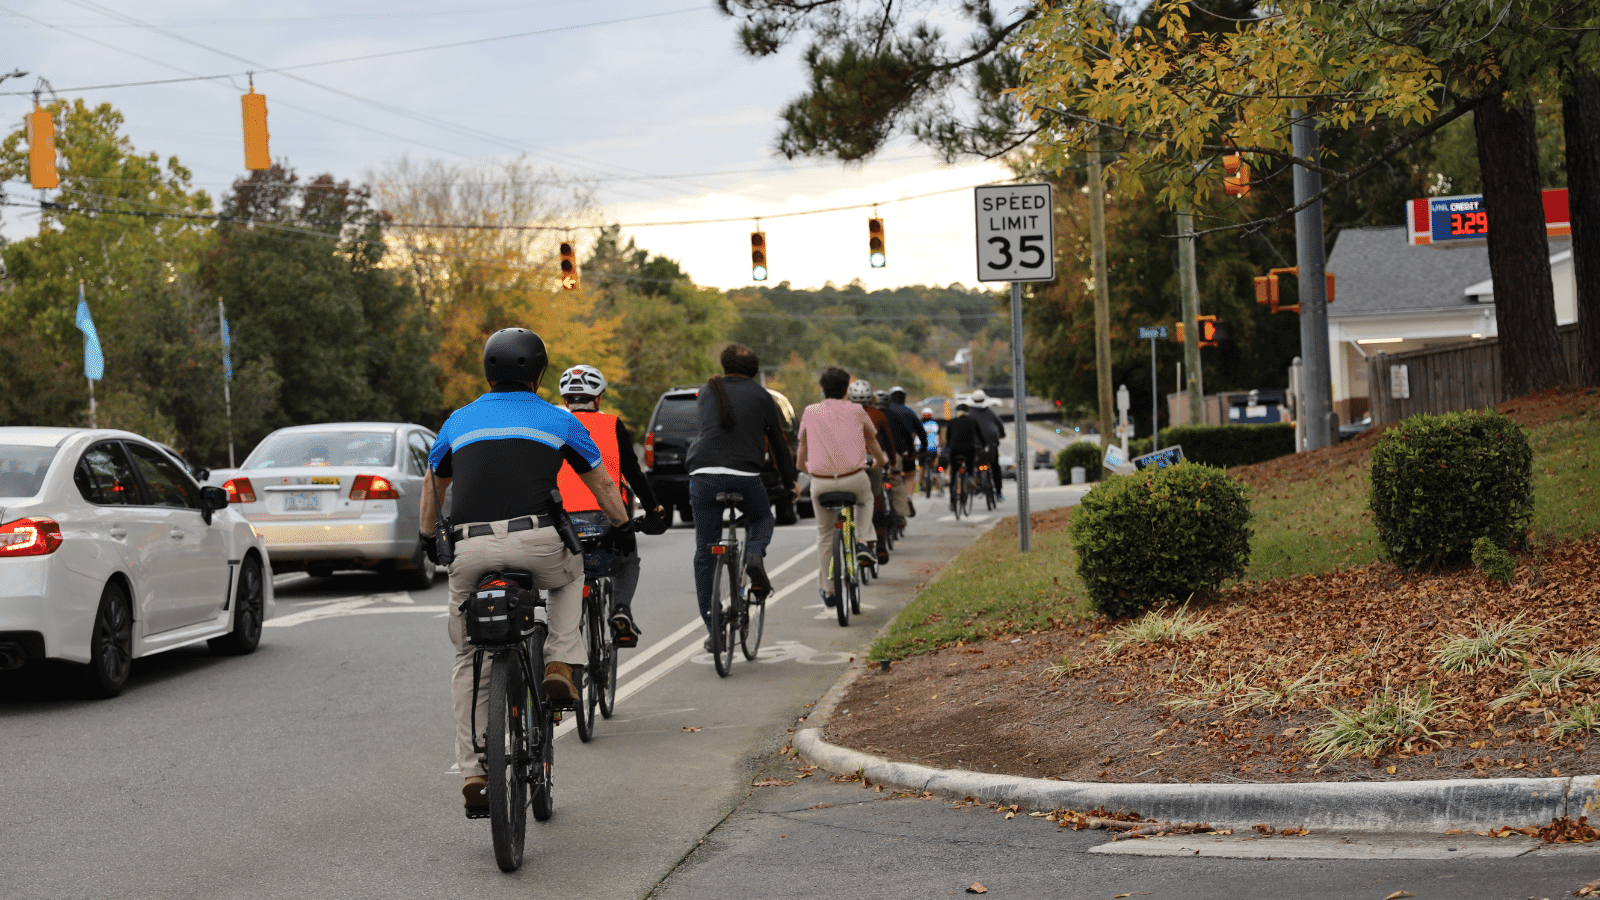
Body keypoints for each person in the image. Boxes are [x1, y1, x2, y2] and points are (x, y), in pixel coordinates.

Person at [418, 328, 631, 815]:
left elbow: (434, 487)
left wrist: (430, 538)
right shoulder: (558, 419)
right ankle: (559, 662)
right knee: (571, 572)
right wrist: (621, 526)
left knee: (469, 655)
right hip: (538, 541)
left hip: (470, 550)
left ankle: (474, 771)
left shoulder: (457, 421)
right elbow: (599, 481)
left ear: (487, 371)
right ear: (539, 373)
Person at [686, 344, 797, 649]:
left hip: (703, 475)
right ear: (754, 371)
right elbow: (778, 442)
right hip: (745, 476)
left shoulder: (707, 391)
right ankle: (753, 555)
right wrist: (791, 482)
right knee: (762, 517)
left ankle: (714, 629)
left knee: (704, 553)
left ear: (724, 365)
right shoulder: (763, 396)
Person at [555, 363, 668, 648]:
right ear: (599, 398)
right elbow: (633, 473)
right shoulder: (612, 424)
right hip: (605, 519)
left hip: (562, 522)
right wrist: (654, 508)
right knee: (627, 560)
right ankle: (621, 609)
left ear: (565, 400)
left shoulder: (553, 425)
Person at [796, 367, 890, 607]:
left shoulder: (810, 411)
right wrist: (880, 461)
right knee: (867, 498)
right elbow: (872, 439)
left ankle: (828, 590)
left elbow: (802, 447)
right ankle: (862, 540)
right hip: (853, 477)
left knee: (825, 535)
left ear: (822, 389)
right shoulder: (857, 410)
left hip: (821, 483)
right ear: (846, 388)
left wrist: (805, 468)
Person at [848, 378, 897, 565]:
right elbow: (888, 442)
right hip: (873, 463)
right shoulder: (878, 414)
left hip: (850, 465)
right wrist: (891, 463)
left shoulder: (845, 415)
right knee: (876, 501)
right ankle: (881, 544)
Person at [884, 387, 927, 522]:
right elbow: (921, 433)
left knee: (889, 477)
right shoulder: (910, 412)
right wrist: (922, 450)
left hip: (885, 452)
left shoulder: (885, 413)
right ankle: (908, 497)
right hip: (907, 452)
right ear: (904, 399)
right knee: (910, 476)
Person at [943, 402, 987, 506]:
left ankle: (952, 501)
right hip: (968, 450)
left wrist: (948, 449)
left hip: (954, 450)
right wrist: (984, 446)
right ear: (967, 412)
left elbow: (948, 439)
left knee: (954, 474)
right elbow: (980, 436)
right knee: (970, 466)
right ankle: (970, 478)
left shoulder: (952, 422)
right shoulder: (972, 421)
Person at [967, 389, 1008, 501]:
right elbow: (999, 425)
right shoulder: (990, 412)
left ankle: (974, 484)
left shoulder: (970, 413)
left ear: (973, 400)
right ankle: (999, 493)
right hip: (991, 445)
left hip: (976, 447)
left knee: (972, 464)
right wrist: (1002, 434)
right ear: (985, 399)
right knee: (995, 467)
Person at [919, 407, 943, 493]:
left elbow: (914, 436)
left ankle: (921, 485)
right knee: (937, 457)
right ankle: (935, 474)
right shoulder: (935, 424)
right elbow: (940, 438)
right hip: (933, 449)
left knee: (921, 467)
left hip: (922, 449)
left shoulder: (919, 424)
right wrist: (941, 445)